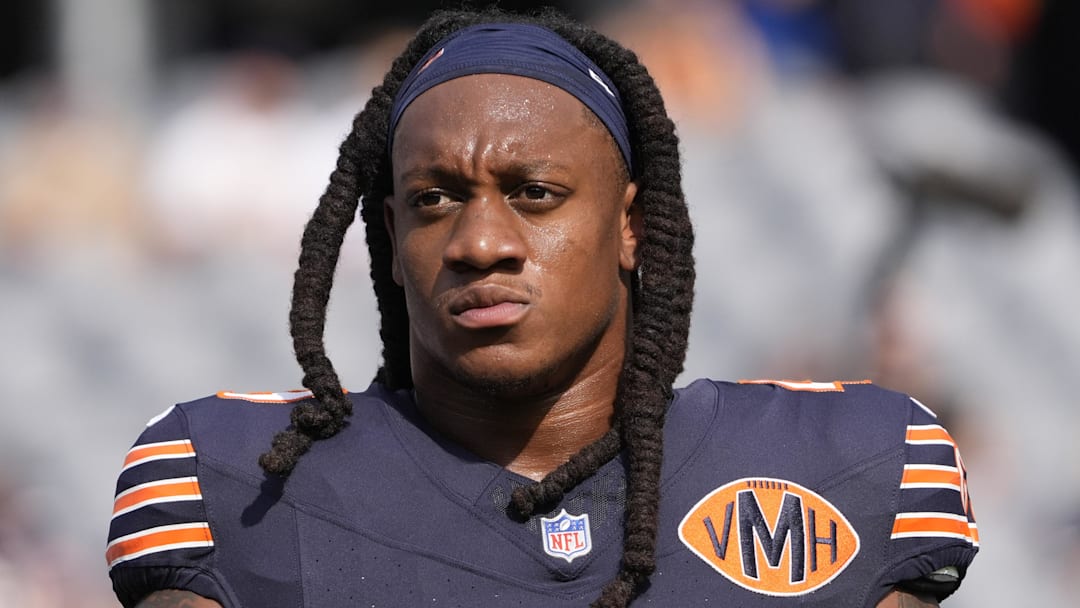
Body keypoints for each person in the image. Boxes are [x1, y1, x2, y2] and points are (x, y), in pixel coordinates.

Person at [104, 8, 978, 607]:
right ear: (391, 235)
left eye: (535, 193)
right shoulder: (237, 485)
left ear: (632, 226)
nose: (482, 242)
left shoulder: (848, 469)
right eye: (436, 199)